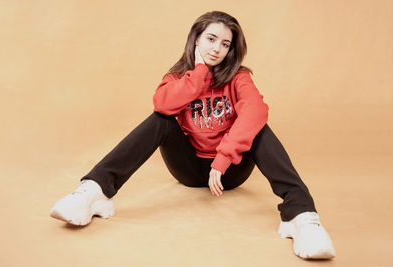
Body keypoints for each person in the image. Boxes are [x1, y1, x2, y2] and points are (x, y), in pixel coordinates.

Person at [50, 11, 335, 260]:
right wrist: (199, 73)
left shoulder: (238, 77)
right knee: (161, 119)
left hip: (229, 172)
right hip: (188, 167)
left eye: (225, 44)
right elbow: (162, 104)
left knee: (258, 124)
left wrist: (223, 159)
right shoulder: (179, 77)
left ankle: (301, 216)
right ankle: (94, 191)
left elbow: (256, 110)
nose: (217, 49)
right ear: (196, 39)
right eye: (211, 39)